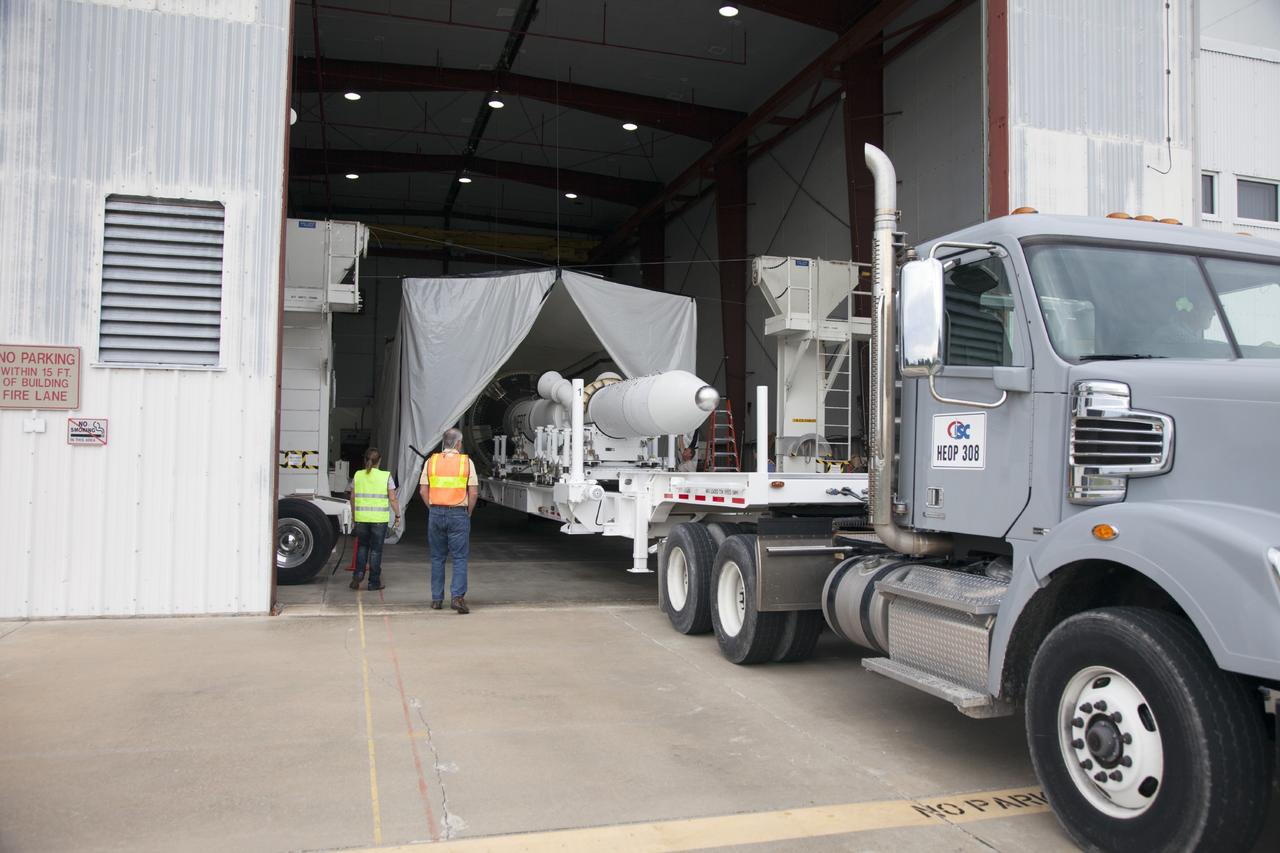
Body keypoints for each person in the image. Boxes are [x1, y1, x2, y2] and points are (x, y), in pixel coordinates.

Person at [420, 428, 478, 613]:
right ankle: (457, 598)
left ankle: (437, 599)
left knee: (437, 558)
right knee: (459, 557)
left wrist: (433, 508)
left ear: (443, 443)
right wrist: (468, 512)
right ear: (459, 443)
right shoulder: (466, 462)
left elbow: (423, 490)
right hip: (459, 513)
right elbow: (474, 492)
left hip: (436, 512)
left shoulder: (431, 461)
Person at [350, 447, 400, 592]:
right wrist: (397, 515)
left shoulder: (358, 475)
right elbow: (392, 498)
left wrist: (354, 517)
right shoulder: (386, 476)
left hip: (361, 519)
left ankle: (358, 575)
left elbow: (352, 498)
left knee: (362, 547)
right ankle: (373, 582)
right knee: (376, 551)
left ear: (365, 459)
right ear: (380, 461)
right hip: (379, 520)